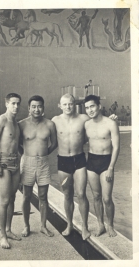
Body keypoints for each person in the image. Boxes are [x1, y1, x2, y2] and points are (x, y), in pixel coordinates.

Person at [52, 94, 90, 240]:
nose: (68, 107)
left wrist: (112, 119)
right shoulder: (55, 121)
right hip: (63, 161)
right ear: (59, 105)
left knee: (81, 194)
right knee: (67, 194)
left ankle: (85, 227)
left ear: (75, 104)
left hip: (79, 159)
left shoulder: (83, 119)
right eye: (65, 104)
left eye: (70, 104)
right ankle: (69, 225)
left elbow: (96, 128)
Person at [19, 95, 57, 238]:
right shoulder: (22, 124)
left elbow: (54, 143)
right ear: (29, 108)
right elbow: (17, 144)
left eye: (39, 106)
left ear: (43, 108)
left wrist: (44, 154)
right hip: (27, 162)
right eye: (33, 106)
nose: (36, 109)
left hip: (43, 163)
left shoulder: (49, 124)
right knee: (26, 196)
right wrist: (25, 155)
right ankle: (26, 226)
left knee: (43, 196)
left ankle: (43, 226)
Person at [0, 93, 22, 249]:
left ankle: (8, 230)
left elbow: (17, 144)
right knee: (5, 201)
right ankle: (2, 235)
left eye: (18, 104)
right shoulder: (0, 120)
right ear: (7, 104)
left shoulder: (16, 123)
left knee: (13, 198)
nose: (16, 106)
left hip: (16, 163)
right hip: (3, 163)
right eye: (13, 103)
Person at [84, 95, 120, 237]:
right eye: (87, 107)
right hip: (91, 162)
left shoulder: (110, 123)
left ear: (99, 106)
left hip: (106, 162)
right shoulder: (86, 124)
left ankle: (110, 225)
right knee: (96, 196)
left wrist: (111, 167)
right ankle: (100, 225)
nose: (90, 110)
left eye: (92, 106)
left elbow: (116, 147)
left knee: (107, 198)